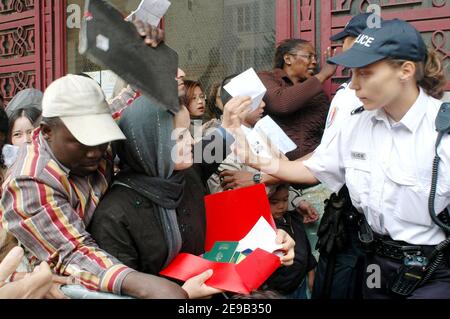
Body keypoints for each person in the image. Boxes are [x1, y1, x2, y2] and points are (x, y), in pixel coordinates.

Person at [239, 19, 450, 299]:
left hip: (432, 271)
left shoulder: (442, 132)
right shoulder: (357, 122)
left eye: (365, 74)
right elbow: (315, 167)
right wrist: (253, 158)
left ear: (406, 71)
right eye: (352, 74)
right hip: (374, 265)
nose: (354, 85)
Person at [0, 74, 221, 299]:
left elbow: (119, 108)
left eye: (102, 138)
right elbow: (75, 252)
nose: (96, 151)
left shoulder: (92, 136)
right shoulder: (29, 181)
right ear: (47, 131)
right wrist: (145, 285)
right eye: (83, 142)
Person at [88, 95, 295, 276]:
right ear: (151, 142)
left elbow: (218, 141)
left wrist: (270, 242)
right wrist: (183, 294)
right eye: (180, 136)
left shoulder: (186, 172)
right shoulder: (113, 216)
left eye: (189, 131)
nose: (191, 141)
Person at [312, 12, 382, 299]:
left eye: (345, 41)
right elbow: (327, 156)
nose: (339, 49)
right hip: (341, 210)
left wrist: (261, 172)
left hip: (361, 218)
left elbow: (330, 162)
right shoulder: (346, 93)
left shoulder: (370, 97)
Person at [258, 39, 336, 160]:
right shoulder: (267, 78)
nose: (314, 62)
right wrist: (322, 75)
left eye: (315, 57)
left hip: (312, 169)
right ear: (288, 59)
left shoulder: (317, 93)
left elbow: (330, 128)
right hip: (274, 169)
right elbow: (281, 103)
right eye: (309, 56)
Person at [263, 184, 317, 299]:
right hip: (278, 292)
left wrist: (311, 275)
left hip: (300, 283)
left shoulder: (294, 219)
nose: (281, 206)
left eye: (285, 199)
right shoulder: (265, 230)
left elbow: (306, 249)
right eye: (274, 202)